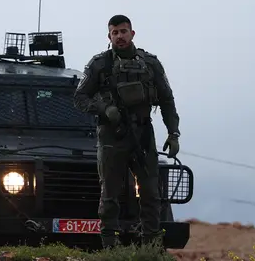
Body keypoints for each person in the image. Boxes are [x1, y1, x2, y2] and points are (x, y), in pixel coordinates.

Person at [73, 14, 181, 249]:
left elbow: (166, 99)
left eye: (123, 31)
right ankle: (109, 245)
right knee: (110, 193)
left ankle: (151, 245)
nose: (119, 36)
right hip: (112, 135)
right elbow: (80, 97)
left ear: (132, 33)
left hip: (143, 134)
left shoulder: (150, 63)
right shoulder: (99, 64)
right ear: (109, 36)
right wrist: (104, 109)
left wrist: (173, 133)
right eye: (115, 33)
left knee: (151, 192)